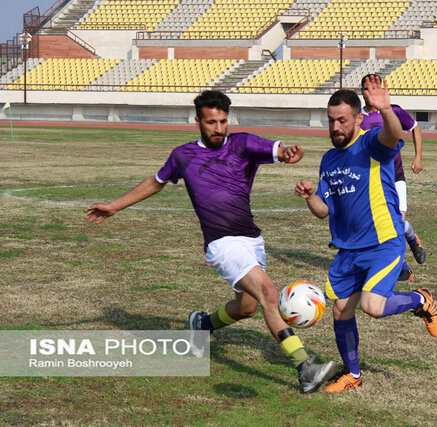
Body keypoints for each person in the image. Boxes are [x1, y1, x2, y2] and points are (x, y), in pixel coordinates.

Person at [84, 90, 337, 394]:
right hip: (221, 243)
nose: (218, 128)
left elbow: (278, 149)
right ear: (198, 122)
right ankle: (305, 368)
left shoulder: (242, 144)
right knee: (270, 294)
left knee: (245, 308)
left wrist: (289, 154)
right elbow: (156, 182)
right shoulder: (183, 155)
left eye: (222, 121)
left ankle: (202, 326)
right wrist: (115, 205)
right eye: (211, 122)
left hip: (251, 239)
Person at [294, 77, 437, 393]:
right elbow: (323, 210)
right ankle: (354, 374)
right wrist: (310, 196)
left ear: (358, 119)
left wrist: (386, 108)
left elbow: (393, 134)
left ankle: (421, 300)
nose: (335, 127)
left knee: (373, 306)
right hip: (348, 251)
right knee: (340, 310)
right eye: (331, 120)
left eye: (342, 120)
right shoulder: (329, 159)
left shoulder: (371, 142)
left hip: (383, 243)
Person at [359, 74, 427, 282]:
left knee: (397, 222)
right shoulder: (357, 117)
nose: (370, 92)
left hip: (395, 176)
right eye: (366, 88)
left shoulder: (393, 111)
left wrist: (418, 156)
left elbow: (414, 127)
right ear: (360, 91)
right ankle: (401, 265)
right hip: (371, 180)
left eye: (374, 87)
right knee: (379, 225)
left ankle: (411, 239)